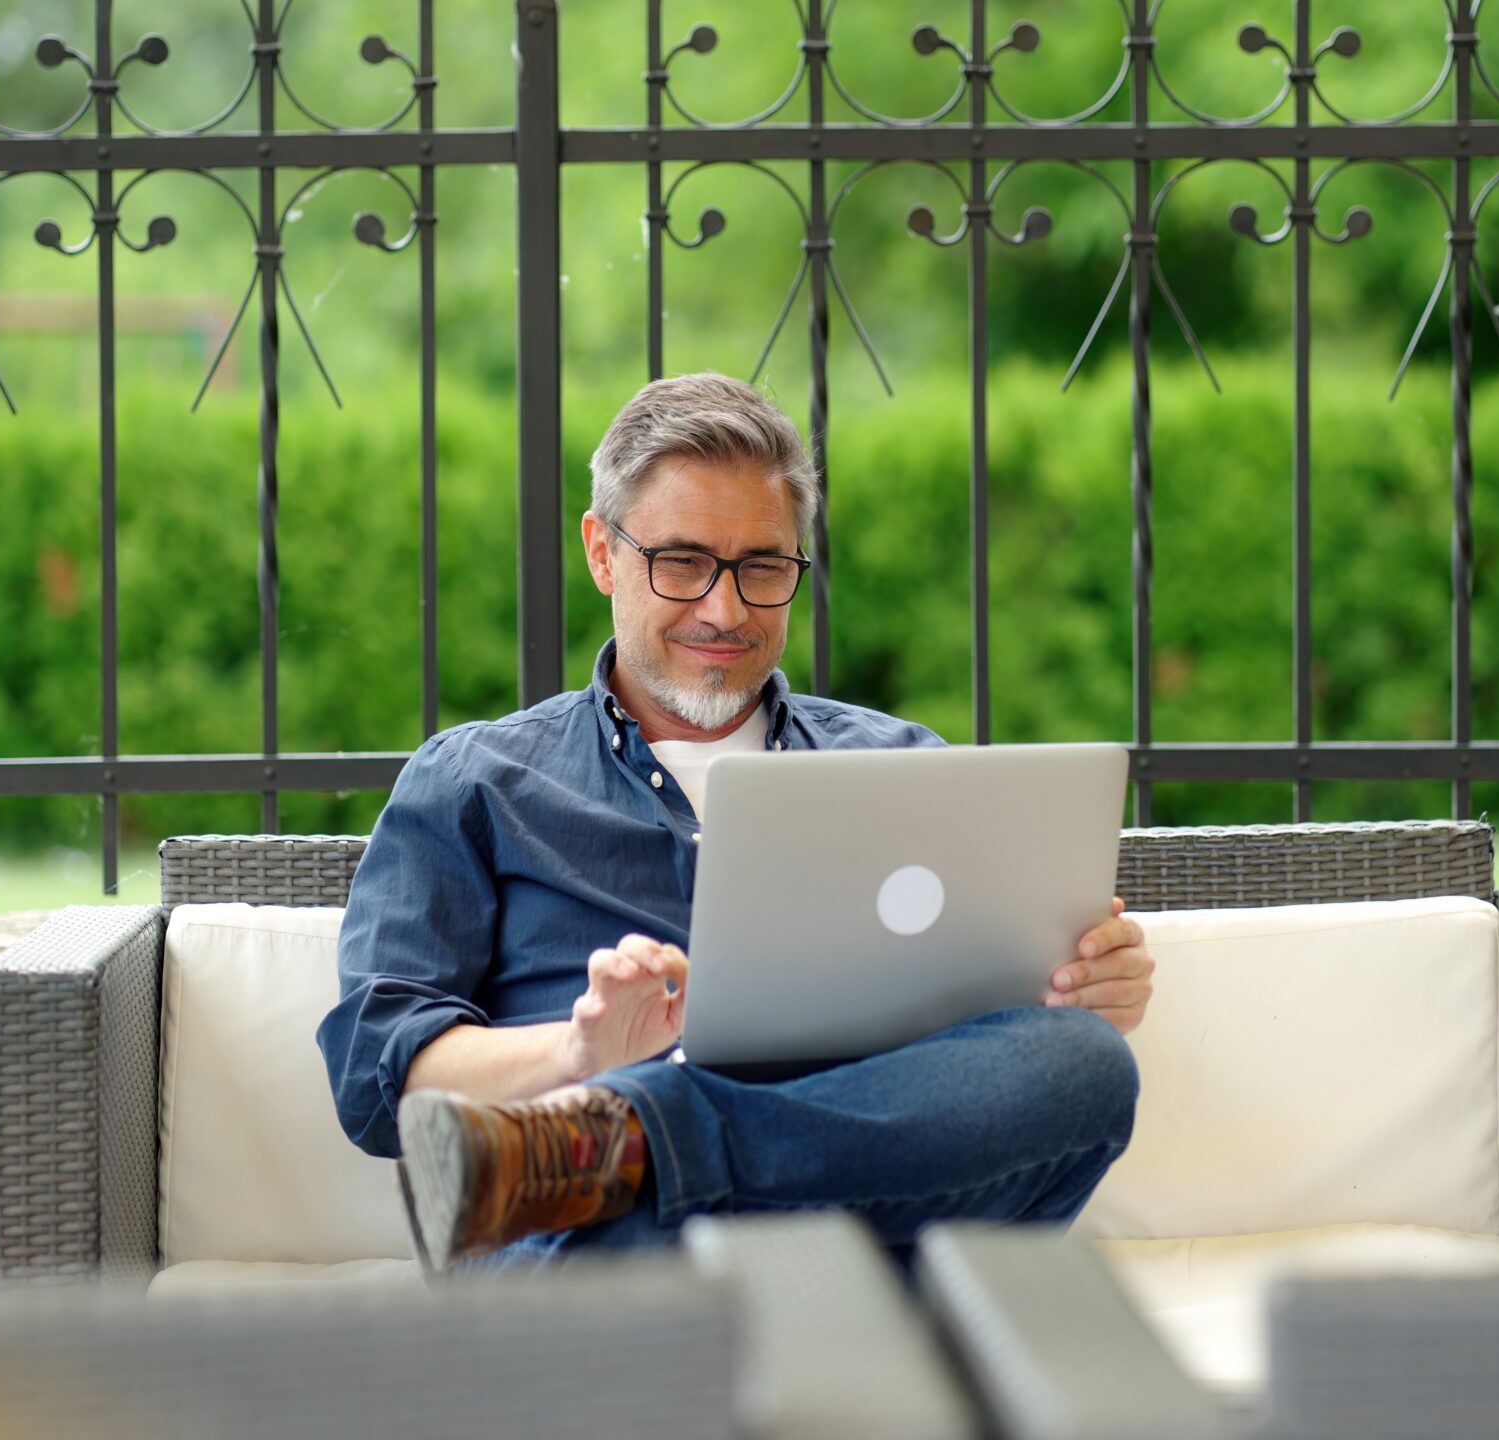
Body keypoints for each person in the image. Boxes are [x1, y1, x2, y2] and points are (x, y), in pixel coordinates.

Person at [316, 372, 1154, 1272]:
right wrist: (577, 1052)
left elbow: (979, 1053)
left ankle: (636, 1141)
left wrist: (1085, 987)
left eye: (762, 568)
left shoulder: (905, 766)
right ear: (602, 553)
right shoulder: (475, 779)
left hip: (851, 1233)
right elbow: (381, 1075)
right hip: (601, 1253)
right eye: (682, 562)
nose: (725, 610)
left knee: (1086, 1066)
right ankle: (633, 1158)